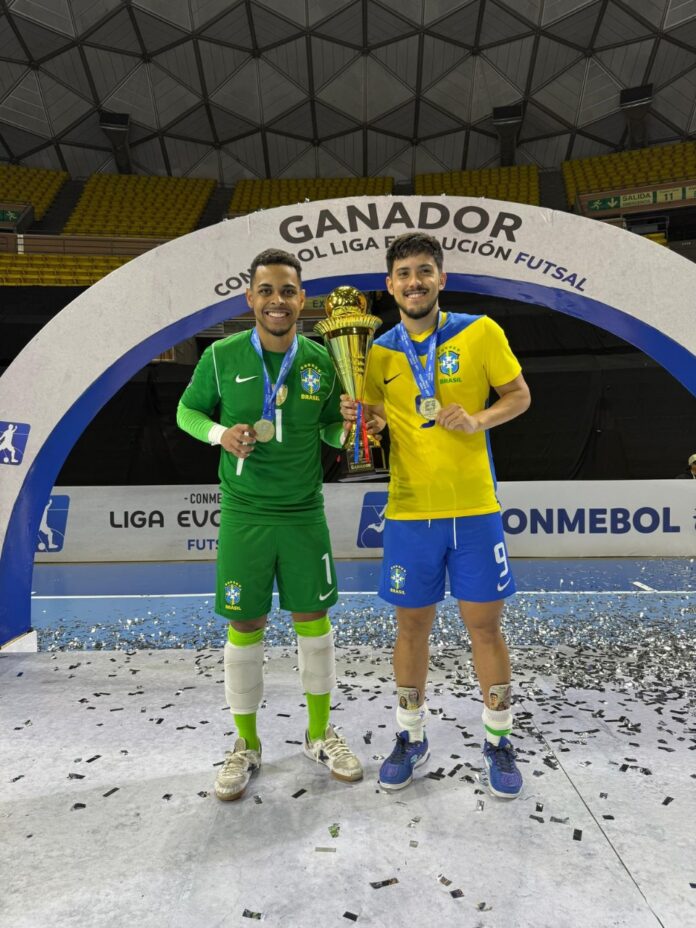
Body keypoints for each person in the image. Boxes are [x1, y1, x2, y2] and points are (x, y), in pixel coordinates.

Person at [342, 231, 531, 798]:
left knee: (485, 628)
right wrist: (364, 421)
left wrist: (477, 419)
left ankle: (498, 740)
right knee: (410, 629)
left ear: (441, 278)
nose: (414, 282)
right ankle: (410, 735)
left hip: (474, 510)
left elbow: (519, 396)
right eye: (404, 274)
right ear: (390, 285)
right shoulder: (377, 352)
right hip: (408, 514)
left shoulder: (480, 331)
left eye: (424, 271)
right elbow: (375, 423)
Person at [177, 248, 362, 801]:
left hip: (303, 512)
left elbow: (329, 431)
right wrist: (220, 435)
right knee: (245, 624)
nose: (276, 300)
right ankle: (247, 745)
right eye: (266, 290)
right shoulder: (221, 356)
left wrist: (350, 427)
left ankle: (318, 734)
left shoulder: (323, 360)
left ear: (302, 299)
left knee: (314, 623)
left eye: (287, 291)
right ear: (250, 298)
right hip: (245, 514)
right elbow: (188, 412)